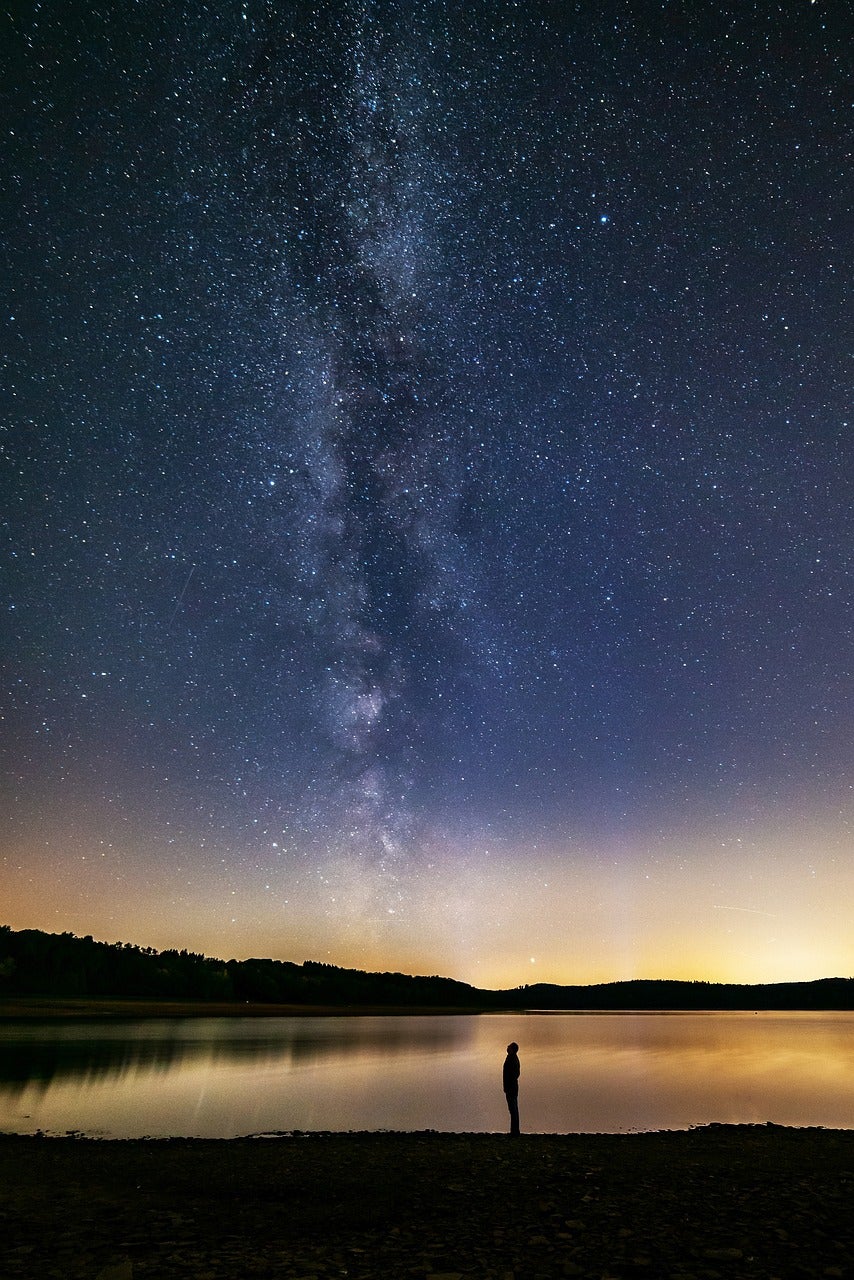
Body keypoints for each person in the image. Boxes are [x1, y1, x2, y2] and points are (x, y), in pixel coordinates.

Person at [502, 1041, 520, 1135]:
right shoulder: (511, 1058)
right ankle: (514, 1130)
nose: (507, 1047)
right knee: (513, 1109)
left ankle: (515, 1131)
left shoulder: (512, 1059)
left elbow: (514, 1074)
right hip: (511, 1087)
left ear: (512, 1049)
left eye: (509, 1047)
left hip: (511, 1088)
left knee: (513, 1109)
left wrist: (508, 1086)